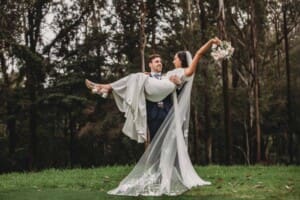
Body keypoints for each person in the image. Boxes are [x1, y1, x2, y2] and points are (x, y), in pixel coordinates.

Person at [86, 37, 221, 196]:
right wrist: (150, 76)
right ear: (151, 64)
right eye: (157, 61)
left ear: (181, 60)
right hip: (154, 110)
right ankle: (106, 88)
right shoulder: (166, 74)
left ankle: (106, 88)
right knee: (137, 79)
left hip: (165, 109)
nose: (168, 61)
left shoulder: (180, 73)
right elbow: (156, 85)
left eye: (174, 58)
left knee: (136, 78)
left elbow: (191, 67)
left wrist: (209, 44)